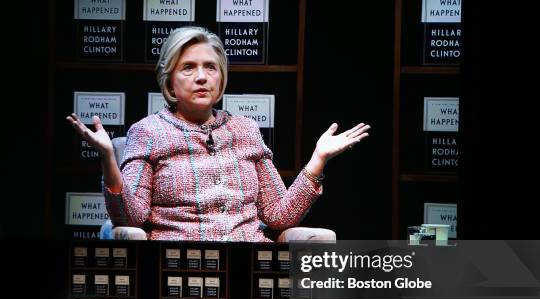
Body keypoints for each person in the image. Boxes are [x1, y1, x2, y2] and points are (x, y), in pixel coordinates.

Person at [67, 26, 369, 241]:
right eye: (188, 67)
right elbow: (130, 218)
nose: (201, 77)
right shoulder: (148, 132)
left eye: (210, 67)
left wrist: (318, 160)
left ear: (221, 78)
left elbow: (280, 216)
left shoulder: (246, 129)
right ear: (170, 83)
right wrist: (108, 158)